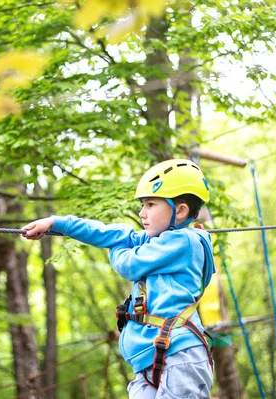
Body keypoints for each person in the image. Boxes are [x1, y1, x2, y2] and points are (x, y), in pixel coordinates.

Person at [22, 159, 215, 398]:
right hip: (154, 358)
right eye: (142, 205)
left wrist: (116, 247)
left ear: (181, 211)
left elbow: (128, 264)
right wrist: (57, 223)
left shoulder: (183, 242)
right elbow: (111, 232)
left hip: (180, 359)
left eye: (151, 204)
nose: (142, 213)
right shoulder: (161, 239)